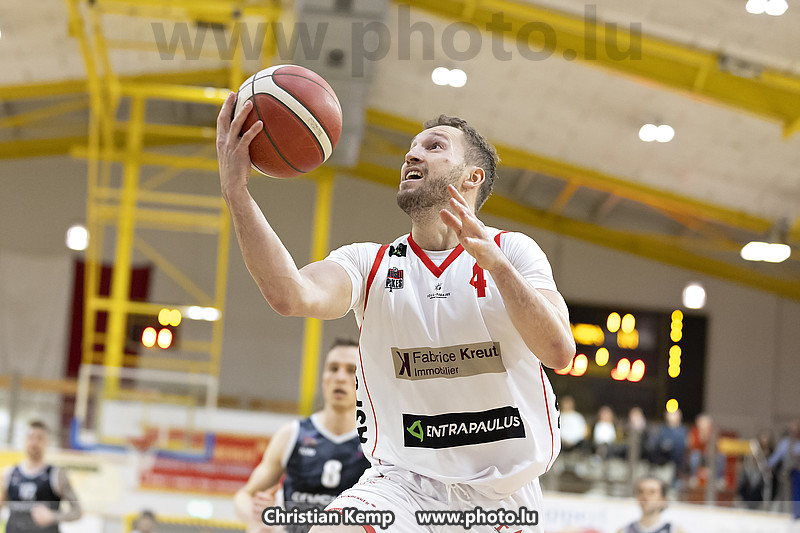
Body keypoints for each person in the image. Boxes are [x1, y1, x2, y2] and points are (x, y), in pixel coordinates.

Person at [217, 94, 575, 533]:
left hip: (502, 498)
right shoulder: (368, 264)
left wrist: (497, 267)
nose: (412, 154)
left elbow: (559, 351)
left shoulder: (513, 252)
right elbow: (290, 294)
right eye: (412, 147)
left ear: (472, 177)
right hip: (403, 485)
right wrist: (236, 191)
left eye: (434, 146)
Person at [234, 340, 370, 533]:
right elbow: (244, 496)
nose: (340, 377)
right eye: (333, 368)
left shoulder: (376, 444)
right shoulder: (292, 435)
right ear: (323, 377)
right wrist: (257, 517)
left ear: (364, 379)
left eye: (351, 370)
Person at [0, 420, 82, 533]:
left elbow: (77, 512)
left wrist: (53, 516)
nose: (34, 443)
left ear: (47, 442)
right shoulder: (8, 474)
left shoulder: (56, 475)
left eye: (40, 438)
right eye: (30, 437)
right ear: (24, 440)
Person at [617, 477, 686, 533]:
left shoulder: (676, 531)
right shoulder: (623, 531)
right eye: (640, 492)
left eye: (652, 492)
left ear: (663, 499)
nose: (645, 497)